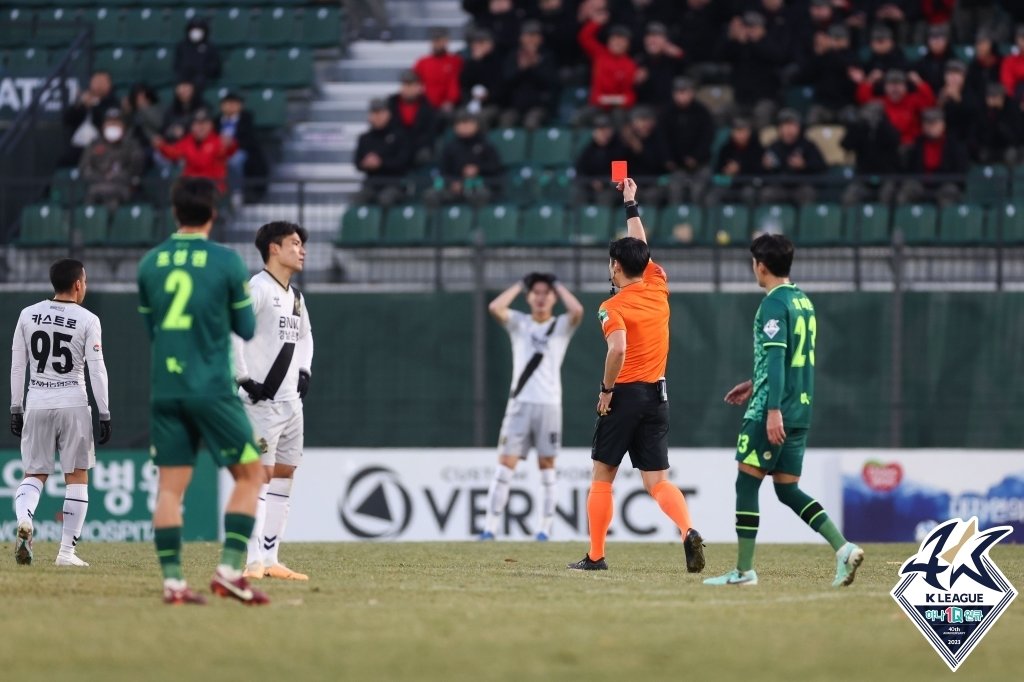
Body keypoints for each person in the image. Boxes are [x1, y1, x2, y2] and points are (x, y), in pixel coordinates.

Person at [705, 234, 863, 588]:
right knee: (787, 490)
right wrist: (755, 381)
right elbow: (790, 359)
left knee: (746, 484)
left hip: (772, 411)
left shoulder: (773, 305)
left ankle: (744, 571)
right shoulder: (802, 301)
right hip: (801, 409)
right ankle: (843, 549)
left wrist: (772, 408)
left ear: (760, 265)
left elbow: (778, 358)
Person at [136, 177, 267, 606]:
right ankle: (230, 570)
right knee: (252, 475)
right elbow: (246, 329)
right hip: (211, 388)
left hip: (165, 388)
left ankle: (173, 583)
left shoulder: (150, 263)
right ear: (213, 213)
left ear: (175, 212)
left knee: (171, 488)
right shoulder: (227, 261)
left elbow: (152, 328)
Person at [567, 177, 705, 573]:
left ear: (614, 266)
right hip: (658, 396)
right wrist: (631, 204)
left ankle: (595, 556)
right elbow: (640, 248)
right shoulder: (658, 285)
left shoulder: (613, 306)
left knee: (603, 474)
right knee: (658, 481)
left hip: (624, 395)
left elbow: (618, 349)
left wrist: (606, 390)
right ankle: (687, 530)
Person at [10, 259, 111, 568]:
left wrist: (16, 407)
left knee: (34, 474)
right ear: (78, 284)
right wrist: (104, 413)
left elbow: (18, 366)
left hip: (37, 401)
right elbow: (97, 369)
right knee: (77, 476)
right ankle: (66, 553)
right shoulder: (88, 319)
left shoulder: (27, 315)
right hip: (73, 403)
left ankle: (25, 519)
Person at [232, 222, 313, 582]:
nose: (302, 250)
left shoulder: (295, 296)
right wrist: (244, 378)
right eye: (295, 243)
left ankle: (271, 558)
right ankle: (252, 561)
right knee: (257, 476)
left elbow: (307, 337)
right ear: (274, 249)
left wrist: (306, 369)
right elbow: (233, 333)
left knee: (284, 474)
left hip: (290, 403)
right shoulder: (258, 288)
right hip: (259, 402)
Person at [481, 273, 583, 541]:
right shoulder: (520, 323)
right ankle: (489, 528)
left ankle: (543, 529)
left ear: (553, 297)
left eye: (545, 293)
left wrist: (558, 284)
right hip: (520, 404)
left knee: (547, 465)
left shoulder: (561, 325)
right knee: (505, 465)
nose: (540, 297)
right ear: (528, 297)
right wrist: (519, 283)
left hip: (549, 404)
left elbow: (577, 310)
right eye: (535, 293)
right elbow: (494, 307)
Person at [426, 110, 502, 207]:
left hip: (479, 186)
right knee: (431, 194)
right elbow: (443, 171)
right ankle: (435, 221)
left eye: (468, 123)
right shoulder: (450, 147)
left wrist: (478, 169)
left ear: (477, 125)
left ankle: (477, 220)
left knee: (481, 194)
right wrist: (452, 183)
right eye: (461, 123)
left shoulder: (485, 145)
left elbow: (495, 167)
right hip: (455, 187)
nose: (464, 127)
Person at [154, 109, 238, 195]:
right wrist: (161, 146)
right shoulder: (187, 141)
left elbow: (230, 151)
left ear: (211, 125)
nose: (201, 127)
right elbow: (173, 153)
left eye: (204, 123)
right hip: (191, 186)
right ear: (192, 126)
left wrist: (231, 144)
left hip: (213, 186)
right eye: (197, 124)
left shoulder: (218, 141)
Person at [576, 6, 637, 124]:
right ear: (609, 41)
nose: (617, 43)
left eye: (622, 40)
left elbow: (628, 93)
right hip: (597, 105)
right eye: (614, 39)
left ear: (627, 45)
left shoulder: (629, 64)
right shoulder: (600, 54)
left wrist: (613, 100)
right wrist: (596, 23)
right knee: (578, 119)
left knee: (619, 118)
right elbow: (584, 38)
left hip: (617, 108)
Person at [79, 108, 145, 209]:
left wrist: (116, 177)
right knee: (92, 194)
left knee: (114, 197)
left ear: (123, 126)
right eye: (109, 123)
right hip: (97, 184)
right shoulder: (94, 144)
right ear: (103, 126)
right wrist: (101, 177)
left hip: (122, 185)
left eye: (116, 123)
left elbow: (136, 168)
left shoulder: (131, 145)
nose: (112, 127)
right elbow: (85, 168)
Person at [760, 109, 827, 205]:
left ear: (799, 127)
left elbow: (821, 168)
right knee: (767, 193)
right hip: (780, 187)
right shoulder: (774, 146)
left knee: (807, 193)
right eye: (784, 125)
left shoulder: (808, 145)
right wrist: (765, 166)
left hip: (801, 185)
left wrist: (804, 165)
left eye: (792, 125)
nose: (788, 129)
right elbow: (763, 173)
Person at [354, 99, 412, 207]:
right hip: (372, 183)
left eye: (380, 112)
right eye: (374, 113)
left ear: (388, 114)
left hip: (394, 183)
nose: (377, 117)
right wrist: (365, 163)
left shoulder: (400, 135)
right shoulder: (365, 138)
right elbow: (357, 163)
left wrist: (381, 163)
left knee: (386, 199)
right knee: (358, 198)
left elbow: (403, 162)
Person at [217, 92, 267, 206]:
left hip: (240, 151)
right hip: (218, 151)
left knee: (235, 160)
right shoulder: (216, 121)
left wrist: (232, 143)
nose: (230, 106)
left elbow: (249, 140)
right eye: (227, 103)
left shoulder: (247, 120)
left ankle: (236, 192)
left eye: (234, 103)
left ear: (241, 106)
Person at [61, 71, 118, 167]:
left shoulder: (113, 103)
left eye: (102, 81)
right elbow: (67, 120)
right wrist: (82, 106)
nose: (99, 85)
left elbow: (105, 121)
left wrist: (94, 106)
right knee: (63, 162)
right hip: (79, 147)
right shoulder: (83, 101)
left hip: (104, 145)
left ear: (109, 85)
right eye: (96, 81)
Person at [388, 70, 441, 166]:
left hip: (418, 148)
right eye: (406, 85)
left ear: (419, 87)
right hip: (396, 145)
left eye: (412, 85)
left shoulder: (428, 107)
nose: (409, 89)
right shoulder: (391, 104)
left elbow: (430, 132)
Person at [573, 114, 628, 205]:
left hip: (611, 188)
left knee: (605, 197)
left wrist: (604, 182)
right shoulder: (590, 148)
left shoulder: (619, 147)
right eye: (600, 129)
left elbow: (619, 176)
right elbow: (580, 169)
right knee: (578, 193)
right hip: (591, 186)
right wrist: (591, 182)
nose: (603, 133)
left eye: (606, 129)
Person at [413, 27, 463, 114]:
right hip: (426, 105)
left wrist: (451, 100)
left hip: (449, 106)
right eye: (435, 41)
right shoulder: (422, 62)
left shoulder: (455, 61)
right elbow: (415, 83)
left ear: (447, 41)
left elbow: (455, 83)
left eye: (441, 40)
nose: (438, 44)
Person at [174, 18, 222, 92]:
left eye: (199, 29)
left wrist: (202, 71)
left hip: (203, 79)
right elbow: (177, 65)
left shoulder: (210, 47)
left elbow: (215, 67)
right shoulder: (182, 47)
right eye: (193, 29)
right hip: (184, 79)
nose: (196, 32)